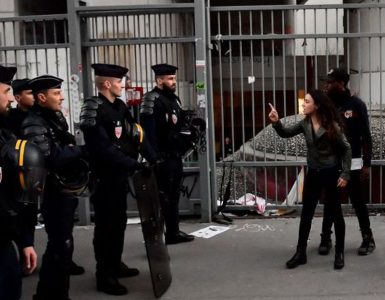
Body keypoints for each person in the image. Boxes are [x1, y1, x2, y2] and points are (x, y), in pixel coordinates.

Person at [80, 63, 155, 296]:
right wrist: (134, 164)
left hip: (120, 176)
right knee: (106, 228)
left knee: (119, 223)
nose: (124, 85)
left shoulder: (120, 106)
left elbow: (133, 135)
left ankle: (115, 263)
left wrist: (152, 158)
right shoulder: (93, 108)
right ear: (106, 84)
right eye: (120, 81)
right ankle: (104, 275)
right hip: (104, 179)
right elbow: (102, 149)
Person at [20, 75, 87, 300]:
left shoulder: (54, 117)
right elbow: (50, 157)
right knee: (59, 245)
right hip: (51, 192)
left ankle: (56, 293)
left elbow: (65, 144)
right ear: (41, 97)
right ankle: (49, 294)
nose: (61, 98)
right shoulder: (33, 123)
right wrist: (77, 151)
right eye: (56, 94)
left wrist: (69, 149)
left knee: (62, 245)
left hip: (63, 189)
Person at [268, 90, 351, 270]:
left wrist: (345, 174)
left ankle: (339, 253)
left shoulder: (331, 125)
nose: (303, 104)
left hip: (330, 173)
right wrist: (276, 122)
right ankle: (300, 253)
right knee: (306, 214)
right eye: (304, 101)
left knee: (336, 213)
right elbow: (285, 133)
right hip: (313, 173)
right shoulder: (305, 123)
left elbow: (346, 148)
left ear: (317, 105)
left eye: (307, 101)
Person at [319, 68, 375, 256]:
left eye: (330, 81)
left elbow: (366, 136)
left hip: (354, 162)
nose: (326, 84)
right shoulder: (326, 106)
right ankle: (326, 238)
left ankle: (368, 239)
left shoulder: (357, 105)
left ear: (341, 84)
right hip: (331, 162)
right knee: (329, 200)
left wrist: (367, 164)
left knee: (358, 201)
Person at [140, 63, 195, 245]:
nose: (173, 82)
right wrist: (155, 158)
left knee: (173, 197)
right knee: (160, 199)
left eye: (174, 78)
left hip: (174, 156)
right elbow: (147, 133)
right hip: (161, 158)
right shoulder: (151, 99)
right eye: (170, 79)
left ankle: (173, 232)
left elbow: (177, 125)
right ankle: (156, 238)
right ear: (159, 80)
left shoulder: (174, 99)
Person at [0, 65, 39, 299]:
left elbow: (11, 195)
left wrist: (24, 240)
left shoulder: (4, 134)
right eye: (6, 92)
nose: (10, 99)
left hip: (4, 240)